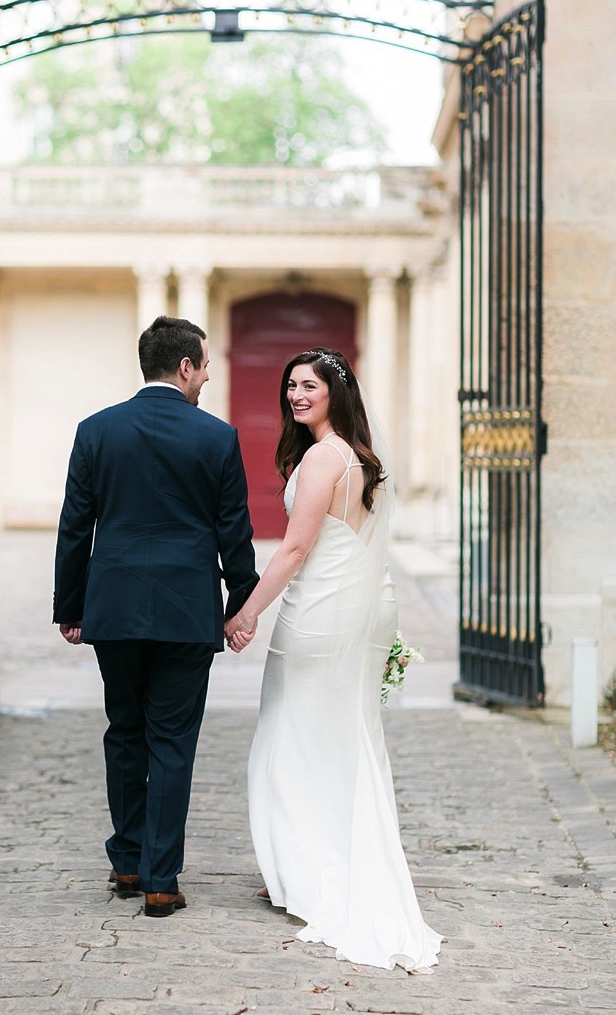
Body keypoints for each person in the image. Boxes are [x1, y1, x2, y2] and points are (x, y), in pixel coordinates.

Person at [224, 347, 441, 971]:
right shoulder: (363, 459)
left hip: (319, 614)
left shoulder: (324, 457)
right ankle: (314, 863)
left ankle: (305, 873)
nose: (296, 395)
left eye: (309, 386)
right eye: (290, 385)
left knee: (289, 738)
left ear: (335, 393)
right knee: (338, 738)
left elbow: (294, 550)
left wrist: (247, 613)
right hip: (360, 612)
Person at [53, 316, 259, 918]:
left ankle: (126, 858)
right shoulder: (217, 438)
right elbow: (234, 534)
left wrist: (71, 606)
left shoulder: (95, 431)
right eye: (205, 369)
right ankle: (160, 879)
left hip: (112, 608)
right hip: (186, 612)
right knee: (171, 739)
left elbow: (74, 527)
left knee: (124, 729)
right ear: (186, 367)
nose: (206, 381)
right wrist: (239, 607)